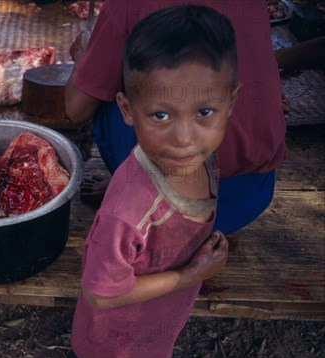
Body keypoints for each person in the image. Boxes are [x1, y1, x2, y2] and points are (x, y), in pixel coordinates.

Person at [58, 5, 238, 358]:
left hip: (150, 338)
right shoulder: (128, 215)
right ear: (127, 110)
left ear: (232, 103)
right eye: (160, 116)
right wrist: (191, 276)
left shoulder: (203, 161)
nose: (184, 138)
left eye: (204, 111)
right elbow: (101, 294)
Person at [66, 0, 287, 235]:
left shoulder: (125, 4)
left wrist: (84, 56)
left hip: (169, 206)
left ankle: (137, 192)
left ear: (233, 101)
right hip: (250, 195)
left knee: (110, 87)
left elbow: (76, 109)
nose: (183, 139)